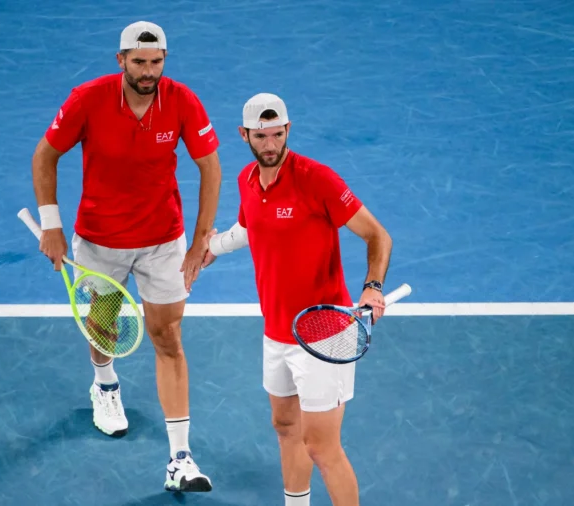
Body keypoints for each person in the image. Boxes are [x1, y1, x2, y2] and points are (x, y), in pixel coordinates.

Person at [30, 20, 221, 493]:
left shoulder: (182, 100)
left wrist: (200, 242)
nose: (148, 72)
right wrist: (51, 225)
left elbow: (210, 169)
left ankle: (180, 459)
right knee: (104, 321)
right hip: (100, 240)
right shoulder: (88, 99)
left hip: (163, 242)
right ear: (121, 61)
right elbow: (44, 156)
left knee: (169, 337)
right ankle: (105, 383)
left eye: (156, 62)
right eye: (139, 62)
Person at [201, 93, 393, 506]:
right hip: (277, 332)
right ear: (245, 135)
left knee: (322, 447)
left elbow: (378, 235)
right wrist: (214, 247)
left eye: (277, 135)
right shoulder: (247, 180)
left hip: (324, 333)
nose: (270, 145)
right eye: (261, 136)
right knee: (286, 427)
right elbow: (251, 225)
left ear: (287, 130)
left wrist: (372, 286)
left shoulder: (316, 179)